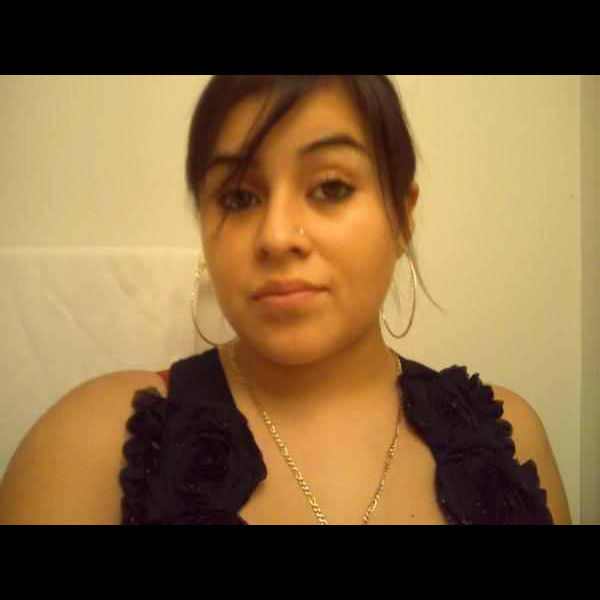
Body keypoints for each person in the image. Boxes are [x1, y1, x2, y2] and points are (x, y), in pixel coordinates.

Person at [0, 75, 572, 525]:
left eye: (331, 187)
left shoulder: (510, 438)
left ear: (402, 217)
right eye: (238, 196)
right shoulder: (94, 445)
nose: (276, 236)